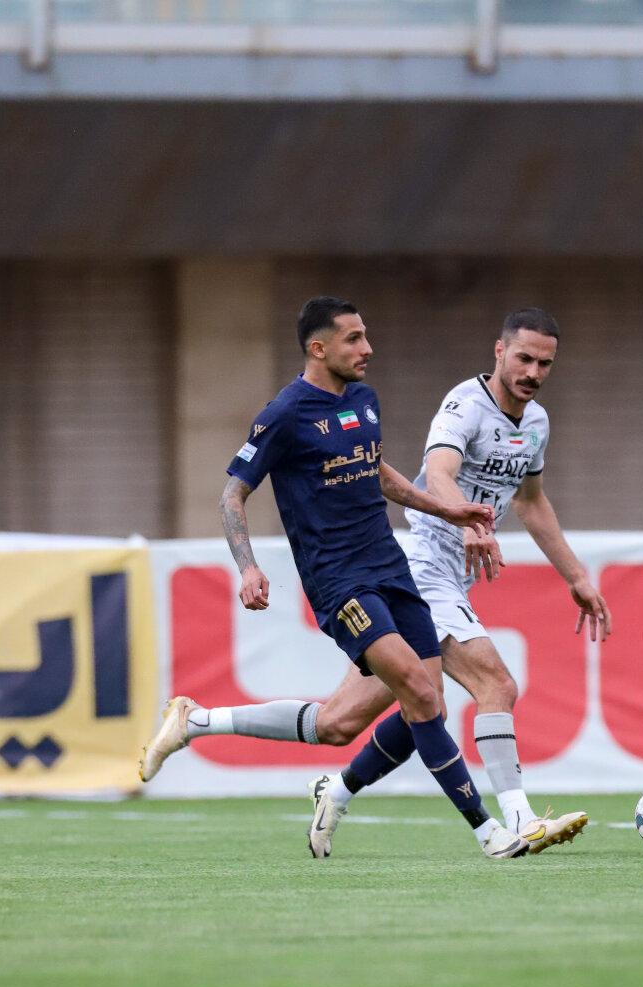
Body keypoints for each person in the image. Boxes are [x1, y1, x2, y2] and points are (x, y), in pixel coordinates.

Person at [141, 305, 612, 858]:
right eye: (355, 338)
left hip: (396, 567)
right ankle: (510, 825)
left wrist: (565, 571)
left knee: (343, 723)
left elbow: (395, 473)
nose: (368, 348)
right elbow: (436, 470)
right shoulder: (309, 412)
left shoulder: (373, 403)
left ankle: (211, 728)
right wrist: (247, 565)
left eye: (545, 363)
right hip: (384, 573)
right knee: (487, 687)